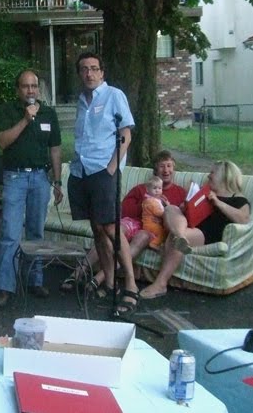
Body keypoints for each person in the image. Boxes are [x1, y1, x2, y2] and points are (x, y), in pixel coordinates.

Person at [67, 51, 139, 317]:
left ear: (102, 72)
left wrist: (111, 168)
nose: (89, 73)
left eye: (94, 68)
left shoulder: (114, 95)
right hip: (82, 171)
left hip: (103, 171)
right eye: (84, 69)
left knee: (111, 227)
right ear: (80, 73)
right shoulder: (81, 101)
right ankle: (109, 282)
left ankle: (130, 285)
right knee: (97, 229)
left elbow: (125, 134)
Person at [59, 150, 186, 292]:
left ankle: (98, 279)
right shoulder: (142, 189)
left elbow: (180, 219)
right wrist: (147, 204)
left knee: (143, 236)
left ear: (174, 169)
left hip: (151, 231)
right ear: (156, 169)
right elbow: (124, 209)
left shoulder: (180, 193)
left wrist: (166, 208)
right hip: (133, 223)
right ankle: (78, 273)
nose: (166, 170)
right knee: (111, 233)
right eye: (162, 166)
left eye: (169, 166)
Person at [0, 69, 63, 308]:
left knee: (36, 232)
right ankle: (5, 286)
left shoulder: (49, 113)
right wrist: (25, 119)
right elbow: (2, 142)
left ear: (38, 89)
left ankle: (35, 280)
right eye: (25, 86)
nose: (30, 90)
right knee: (11, 233)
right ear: (17, 89)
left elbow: (55, 148)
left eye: (34, 86)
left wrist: (58, 181)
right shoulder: (8, 111)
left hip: (41, 178)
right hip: (15, 178)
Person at [140, 160, 250, 299]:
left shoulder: (238, 199)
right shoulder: (206, 192)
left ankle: (160, 284)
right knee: (171, 208)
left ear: (224, 175)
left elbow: (244, 219)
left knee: (173, 238)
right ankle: (180, 237)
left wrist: (217, 202)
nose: (208, 176)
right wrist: (186, 207)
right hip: (186, 225)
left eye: (212, 173)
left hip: (205, 233)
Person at [141, 176, 168, 249]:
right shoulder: (151, 201)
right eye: (154, 188)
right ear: (147, 189)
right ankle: (154, 243)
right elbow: (158, 213)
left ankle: (156, 241)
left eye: (159, 188)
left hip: (151, 224)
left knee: (163, 232)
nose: (157, 191)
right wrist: (167, 211)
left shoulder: (155, 199)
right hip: (151, 224)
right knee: (161, 232)